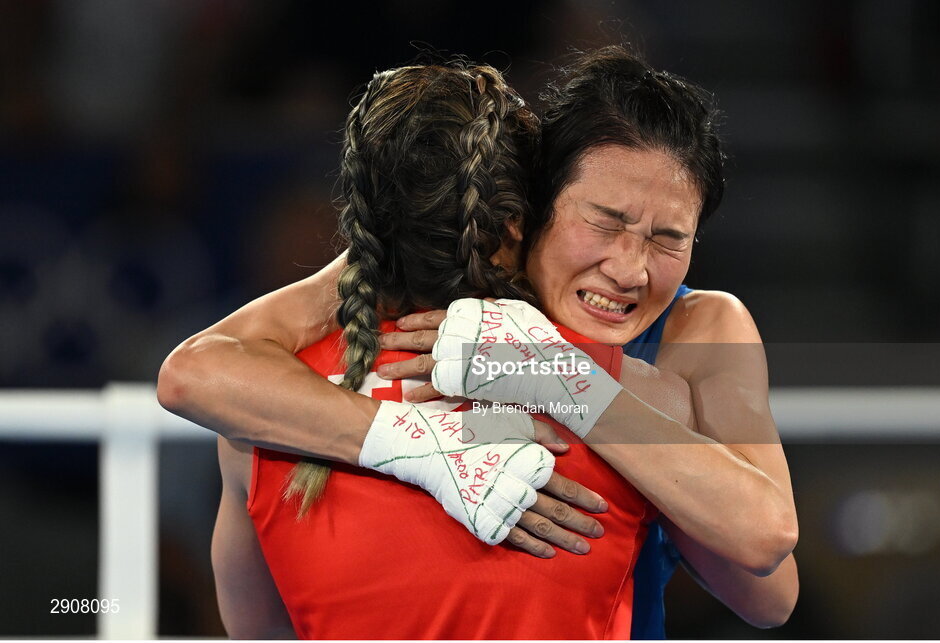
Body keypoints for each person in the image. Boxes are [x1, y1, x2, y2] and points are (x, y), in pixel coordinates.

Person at [159, 46, 798, 638]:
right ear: (528, 210)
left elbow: (770, 590)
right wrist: (426, 447)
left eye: (669, 239)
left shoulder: (701, 328)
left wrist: (564, 380)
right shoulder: (365, 296)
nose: (631, 269)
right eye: (604, 222)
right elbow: (195, 372)